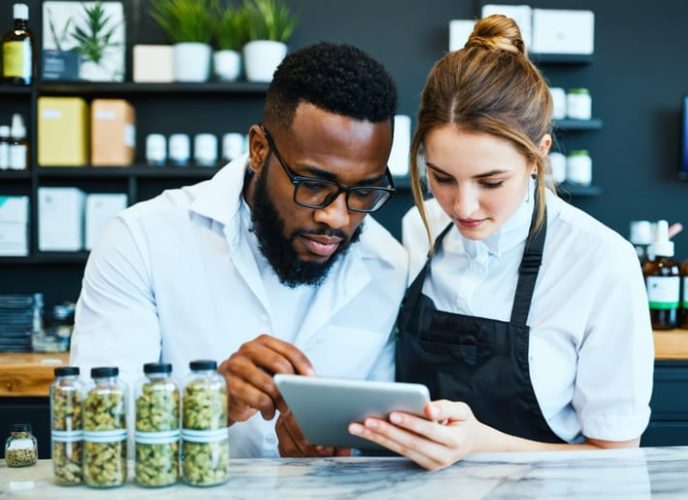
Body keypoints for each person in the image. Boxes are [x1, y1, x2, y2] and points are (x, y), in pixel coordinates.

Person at [69, 43, 408, 457]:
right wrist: (206, 404)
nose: (337, 218)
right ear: (259, 150)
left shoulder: (389, 265)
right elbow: (93, 431)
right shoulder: (142, 240)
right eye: (314, 186)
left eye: (363, 191)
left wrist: (337, 452)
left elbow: (378, 446)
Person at [348, 15, 654, 470]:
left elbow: (615, 459)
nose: (464, 206)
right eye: (442, 177)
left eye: (491, 181)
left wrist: (478, 444)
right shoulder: (420, 227)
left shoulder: (600, 262)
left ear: (539, 155)